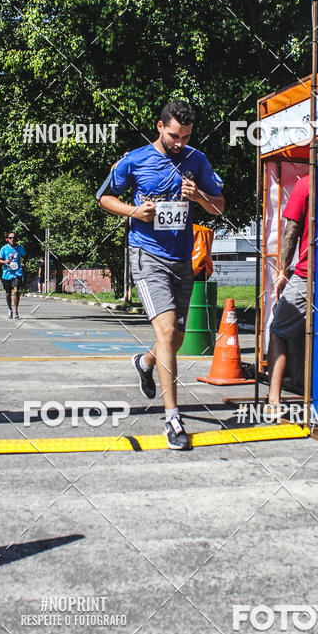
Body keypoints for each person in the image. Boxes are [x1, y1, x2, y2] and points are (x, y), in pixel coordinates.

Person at [97, 100, 225, 450]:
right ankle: (173, 419)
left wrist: (199, 196)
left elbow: (219, 206)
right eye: (174, 136)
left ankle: (145, 362)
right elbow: (104, 197)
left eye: (186, 136)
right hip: (146, 254)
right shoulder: (135, 159)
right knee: (167, 331)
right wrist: (134, 211)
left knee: (175, 339)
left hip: (181, 258)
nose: (180, 142)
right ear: (159, 126)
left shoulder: (197, 160)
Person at [267, 142, 318, 412]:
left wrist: (282, 270)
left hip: (309, 274)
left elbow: (291, 232)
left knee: (278, 330)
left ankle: (274, 399)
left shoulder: (307, 185)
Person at [0, 232, 27, 319]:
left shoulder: (20, 248)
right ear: (7, 239)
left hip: (17, 273)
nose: (12, 239)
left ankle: (16, 310)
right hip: (7, 274)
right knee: (8, 293)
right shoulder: (4, 249)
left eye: (14, 238)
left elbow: (25, 256)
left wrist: (23, 263)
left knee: (16, 291)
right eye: (10, 238)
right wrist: (5, 262)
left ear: (17, 239)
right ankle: (9, 309)